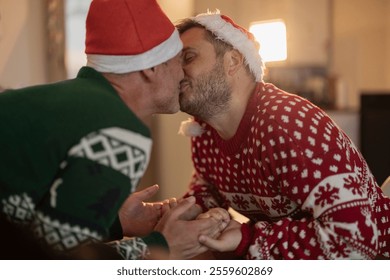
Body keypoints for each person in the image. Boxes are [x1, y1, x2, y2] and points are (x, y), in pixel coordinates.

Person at [0, 0, 229, 260]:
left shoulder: (70, 103)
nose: (183, 75)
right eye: (179, 59)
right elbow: (59, 265)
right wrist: (163, 245)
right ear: (151, 67)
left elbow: (40, 239)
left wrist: (116, 223)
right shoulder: (120, 131)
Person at [176, 11, 390, 259]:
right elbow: (206, 195)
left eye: (188, 58)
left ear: (233, 60)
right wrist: (179, 214)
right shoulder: (204, 133)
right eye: (172, 64)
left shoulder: (287, 125)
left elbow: (356, 242)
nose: (176, 73)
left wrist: (248, 239)